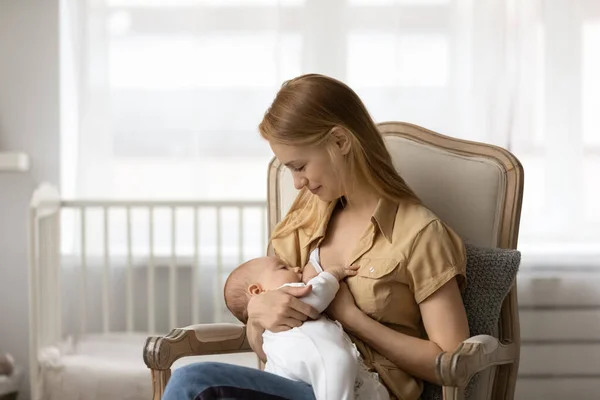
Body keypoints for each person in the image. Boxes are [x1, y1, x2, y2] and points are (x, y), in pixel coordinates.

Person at [162, 73, 469, 400]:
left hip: (364, 391)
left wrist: (352, 318)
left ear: (340, 141)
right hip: (292, 384)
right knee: (192, 383)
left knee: (194, 382)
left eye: (300, 166)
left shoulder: (419, 233)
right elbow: (271, 348)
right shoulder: (305, 219)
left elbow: (452, 363)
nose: (296, 183)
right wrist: (256, 318)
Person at [223, 252, 389, 400]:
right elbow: (316, 294)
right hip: (319, 357)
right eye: (283, 268)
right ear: (258, 291)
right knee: (338, 362)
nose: (296, 268)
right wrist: (332, 275)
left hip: (290, 371)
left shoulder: (268, 334)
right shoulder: (286, 294)